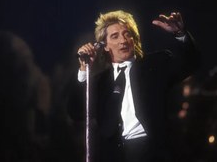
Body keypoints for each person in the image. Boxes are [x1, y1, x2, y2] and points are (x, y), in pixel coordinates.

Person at [68, 10, 200, 162]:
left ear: (134, 39)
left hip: (153, 151)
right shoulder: (100, 82)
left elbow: (192, 63)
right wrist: (84, 70)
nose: (123, 40)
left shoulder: (155, 64)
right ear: (104, 45)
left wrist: (180, 33)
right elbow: (75, 112)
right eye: (114, 36)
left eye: (127, 34)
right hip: (114, 154)